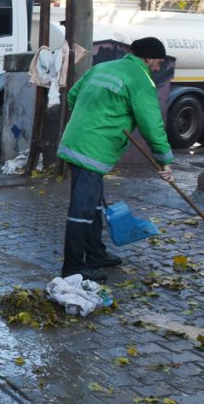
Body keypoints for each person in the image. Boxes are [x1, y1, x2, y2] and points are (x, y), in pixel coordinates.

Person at [57, 36, 176, 282]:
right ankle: (73, 267)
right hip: (92, 150)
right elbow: (152, 125)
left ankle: (96, 254)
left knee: (94, 204)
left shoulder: (102, 68)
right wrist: (165, 159)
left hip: (75, 142)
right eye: (158, 63)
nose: (157, 69)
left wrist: (88, 119)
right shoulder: (139, 79)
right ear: (149, 58)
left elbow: (73, 96)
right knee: (82, 209)